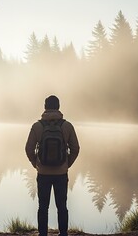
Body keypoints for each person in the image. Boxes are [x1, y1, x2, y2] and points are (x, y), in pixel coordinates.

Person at [25, 95, 80, 236]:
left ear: (45, 106)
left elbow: (28, 149)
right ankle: (63, 234)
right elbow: (75, 149)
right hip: (61, 174)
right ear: (58, 107)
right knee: (62, 207)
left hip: (43, 173)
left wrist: (35, 164)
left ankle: (43, 234)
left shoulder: (37, 126)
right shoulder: (67, 126)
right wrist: (66, 164)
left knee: (43, 207)